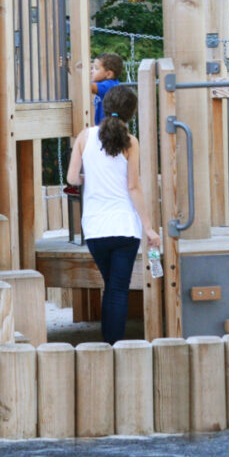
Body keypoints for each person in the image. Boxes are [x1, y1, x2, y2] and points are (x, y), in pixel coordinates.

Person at [66, 85, 160, 345]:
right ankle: (114, 345)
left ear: (104, 106)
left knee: (111, 286)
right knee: (118, 289)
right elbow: (133, 186)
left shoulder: (84, 136)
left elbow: (72, 178)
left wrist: (89, 176)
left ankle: (108, 345)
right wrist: (149, 228)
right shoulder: (131, 142)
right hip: (124, 227)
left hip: (95, 228)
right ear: (132, 113)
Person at [91, 52, 124, 125]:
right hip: (104, 128)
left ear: (108, 74)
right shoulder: (102, 83)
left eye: (96, 68)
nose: (92, 71)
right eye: (92, 68)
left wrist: (76, 70)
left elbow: (88, 86)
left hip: (109, 130)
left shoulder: (110, 86)